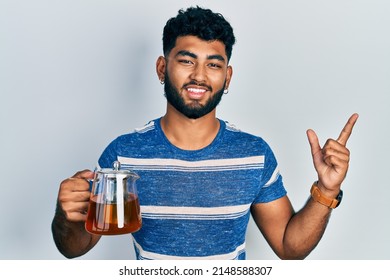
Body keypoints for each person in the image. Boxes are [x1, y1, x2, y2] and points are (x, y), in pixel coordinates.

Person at [51, 6, 358, 260]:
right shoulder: (123, 154)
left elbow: (290, 248)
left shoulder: (254, 154)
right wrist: (67, 216)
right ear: (161, 68)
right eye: (186, 61)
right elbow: (75, 247)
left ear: (227, 77)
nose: (199, 75)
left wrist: (326, 190)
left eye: (213, 64)